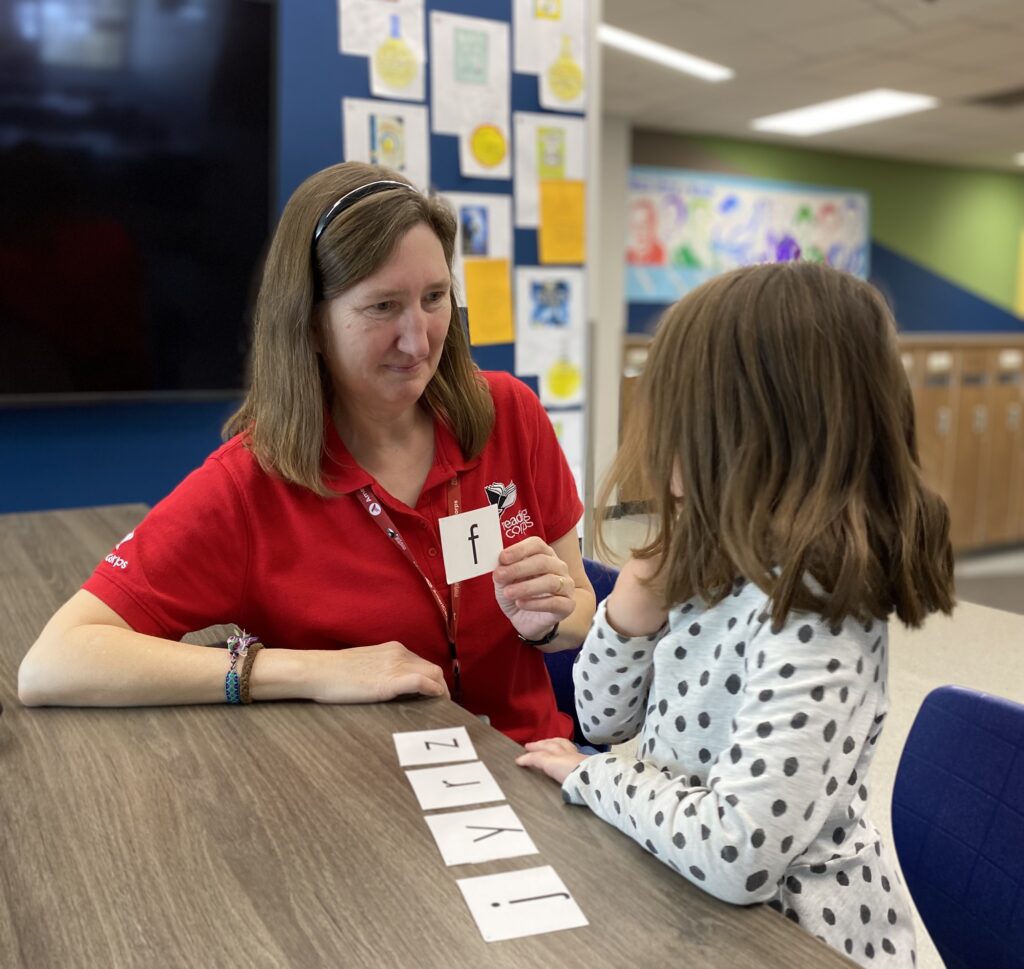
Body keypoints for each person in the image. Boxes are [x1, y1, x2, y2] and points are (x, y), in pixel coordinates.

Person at [18, 161, 596, 744]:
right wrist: (312, 669)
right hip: (371, 794)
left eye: (434, 297)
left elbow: (581, 609)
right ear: (311, 323)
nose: (419, 340)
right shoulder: (249, 484)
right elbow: (55, 662)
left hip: (531, 772)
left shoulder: (507, 413)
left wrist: (547, 626)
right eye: (382, 307)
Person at [516, 261, 954, 968]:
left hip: (795, 934)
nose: (658, 445)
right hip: (688, 896)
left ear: (766, 433)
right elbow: (600, 720)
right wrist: (630, 611)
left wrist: (596, 778)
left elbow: (737, 851)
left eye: (682, 417)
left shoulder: (818, 609)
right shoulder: (720, 555)